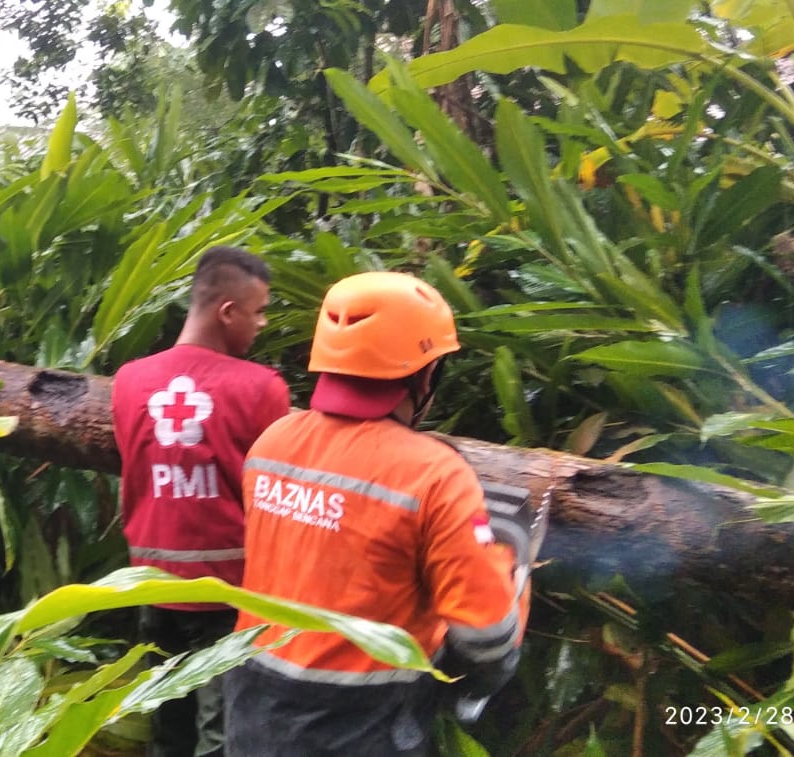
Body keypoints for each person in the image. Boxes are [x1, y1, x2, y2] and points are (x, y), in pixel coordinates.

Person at [224, 271, 523, 756]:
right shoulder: (435, 475)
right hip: (363, 726)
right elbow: (485, 638)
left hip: (252, 707)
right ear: (425, 375)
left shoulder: (272, 443)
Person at [111, 246, 292, 757]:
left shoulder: (129, 381)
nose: (262, 323)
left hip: (150, 585)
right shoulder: (262, 390)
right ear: (227, 311)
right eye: (257, 311)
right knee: (222, 737)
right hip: (231, 595)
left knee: (166, 727)